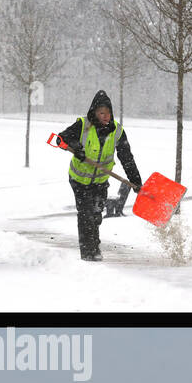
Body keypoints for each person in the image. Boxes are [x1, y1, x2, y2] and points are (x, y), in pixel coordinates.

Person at [57, 90, 143, 260]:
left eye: (108, 113)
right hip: (79, 180)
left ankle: (94, 248)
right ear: (94, 113)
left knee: (96, 215)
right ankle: (88, 253)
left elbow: (126, 157)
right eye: (102, 113)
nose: (106, 116)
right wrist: (77, 149)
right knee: (86, 214)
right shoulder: (83, 125)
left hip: (100, 181)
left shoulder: (117, 131)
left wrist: (135, 180)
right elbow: (61, 139)